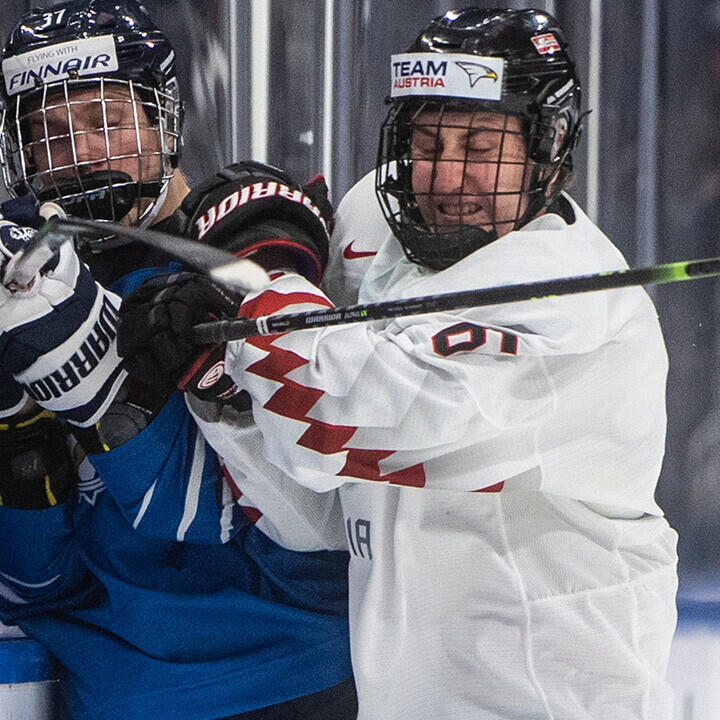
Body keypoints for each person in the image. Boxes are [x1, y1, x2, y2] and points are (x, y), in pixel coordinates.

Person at [119, 7, 680, 720]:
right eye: (426, 141)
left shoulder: (571, 309)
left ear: (549, 147)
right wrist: (224, 391)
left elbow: (343, 417)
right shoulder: (375, 230)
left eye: (480, 145)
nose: (446, 178)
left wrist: (257, 279)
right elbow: (318, 515)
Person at [0, 2, 356, 719]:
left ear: (164, 120)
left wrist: (262, 254)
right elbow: (40, 585)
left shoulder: (240, 251)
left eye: (105, 119)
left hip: (289, 680)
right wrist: (20, 434)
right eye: (50, 135)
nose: (81, 155)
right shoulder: (20, 287)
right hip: (113, 694)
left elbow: (310, 535)